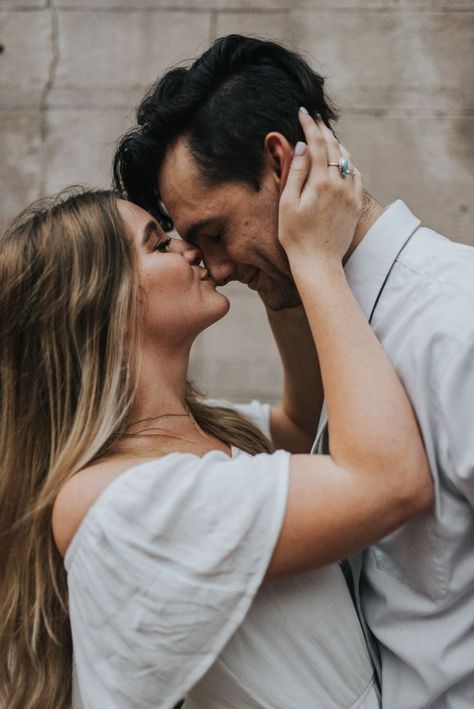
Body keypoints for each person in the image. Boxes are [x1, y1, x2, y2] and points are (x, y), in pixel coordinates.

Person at [0, 116, 431, 709]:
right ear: (100, 307)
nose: (191, 247)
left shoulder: (207, 431)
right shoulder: (116, 503)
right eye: (159, 242)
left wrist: (270, 245)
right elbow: (387, 482)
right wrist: (315, 258)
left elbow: (303, 427)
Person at [113, 35, 474, 708]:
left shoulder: (455, 322)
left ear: (280, 162)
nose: (214, 268)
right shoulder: (351, 330)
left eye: (214, 232)